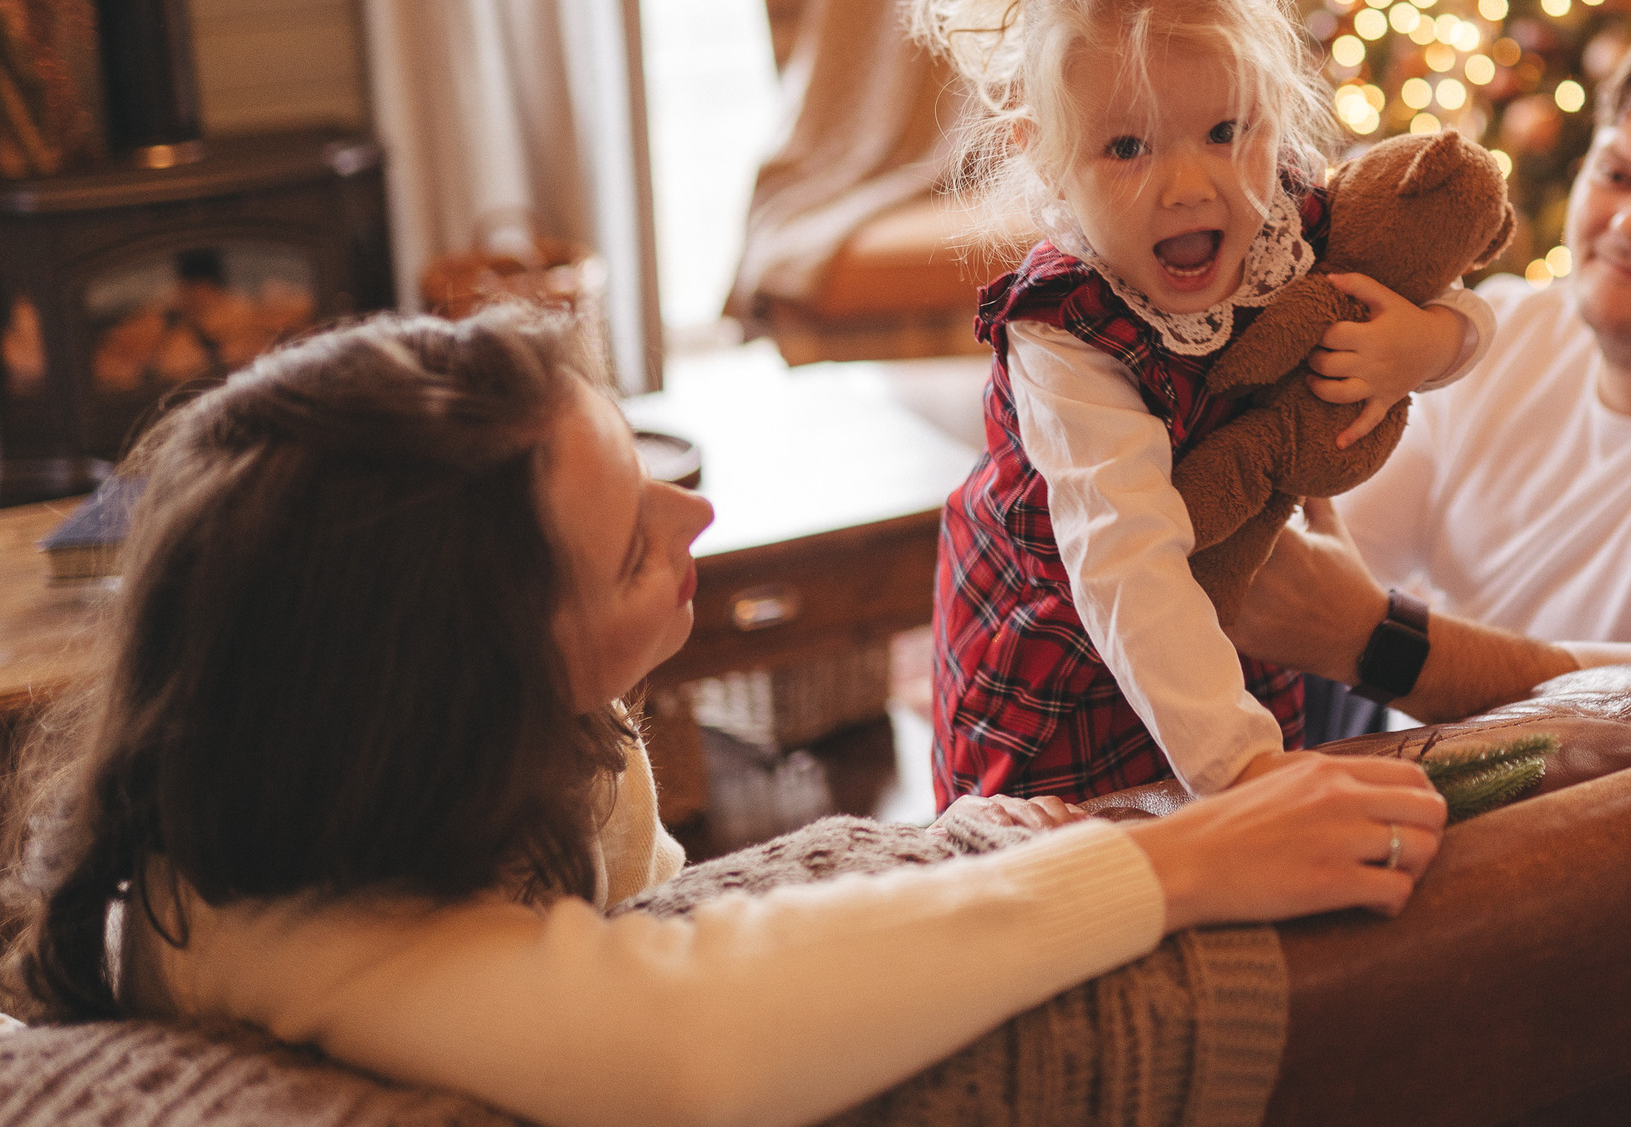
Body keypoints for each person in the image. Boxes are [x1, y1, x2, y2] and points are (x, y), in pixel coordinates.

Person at [1, 309, 1447, 1127]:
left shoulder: (519, 748)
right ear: (465, 697)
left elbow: (655, 918)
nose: (699, 517)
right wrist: (1181, 864)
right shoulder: (276, 914)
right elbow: (693, 1038)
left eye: (655, 470)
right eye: (635, 542)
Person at [907, 0, 1495, 804]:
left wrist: (1431, 345)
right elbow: (1126, 564)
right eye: (1127, 148)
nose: (1190, 187)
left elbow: (1455, 293)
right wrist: (1251, 778)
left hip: (1227, 626)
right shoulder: (1066, 334)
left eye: (1227, 131)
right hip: (1072, 665)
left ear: (1273, 107)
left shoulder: (1288, 219)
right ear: (1046, 158)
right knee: (1090, 885)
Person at [1230, 8, 1631, 732]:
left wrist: (1377, 642)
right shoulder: (1501, 333)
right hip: (1378, 732)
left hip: (1531, 815)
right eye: (1617, 174)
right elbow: (1342, 555)